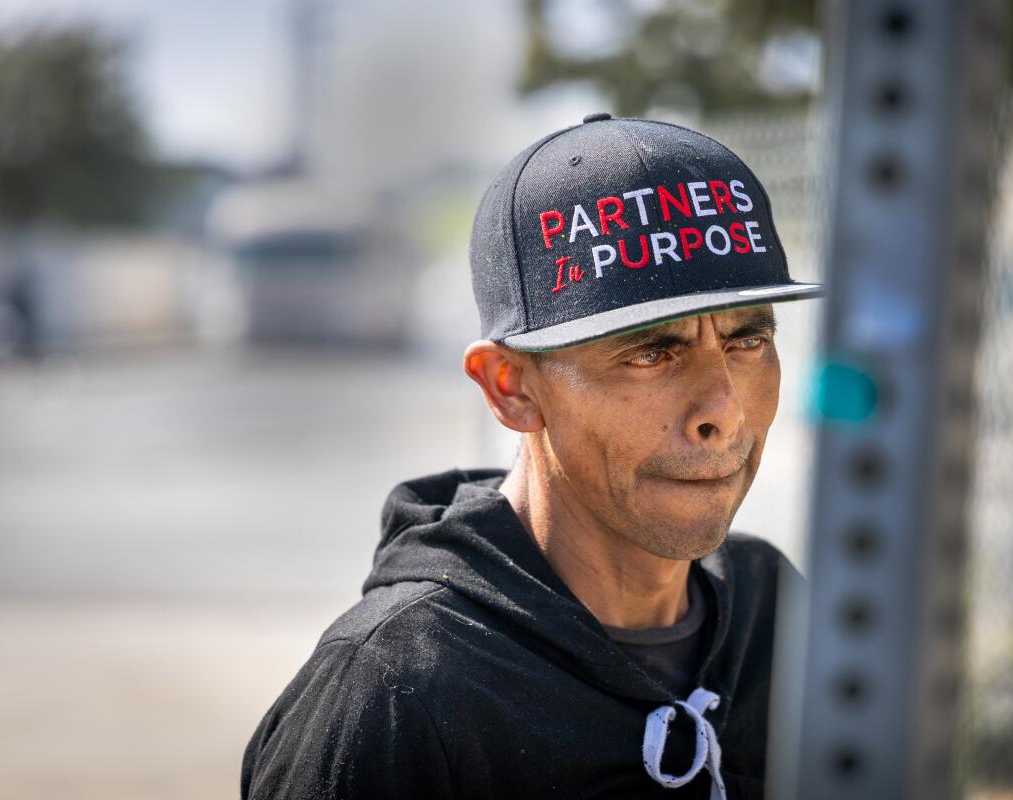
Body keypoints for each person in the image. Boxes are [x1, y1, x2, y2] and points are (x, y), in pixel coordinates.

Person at [241, 113, 822, 799]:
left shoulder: (774, 613)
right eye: (651, 354)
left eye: (747, 341)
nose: (722, 413)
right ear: (511, 388)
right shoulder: (394, 694)